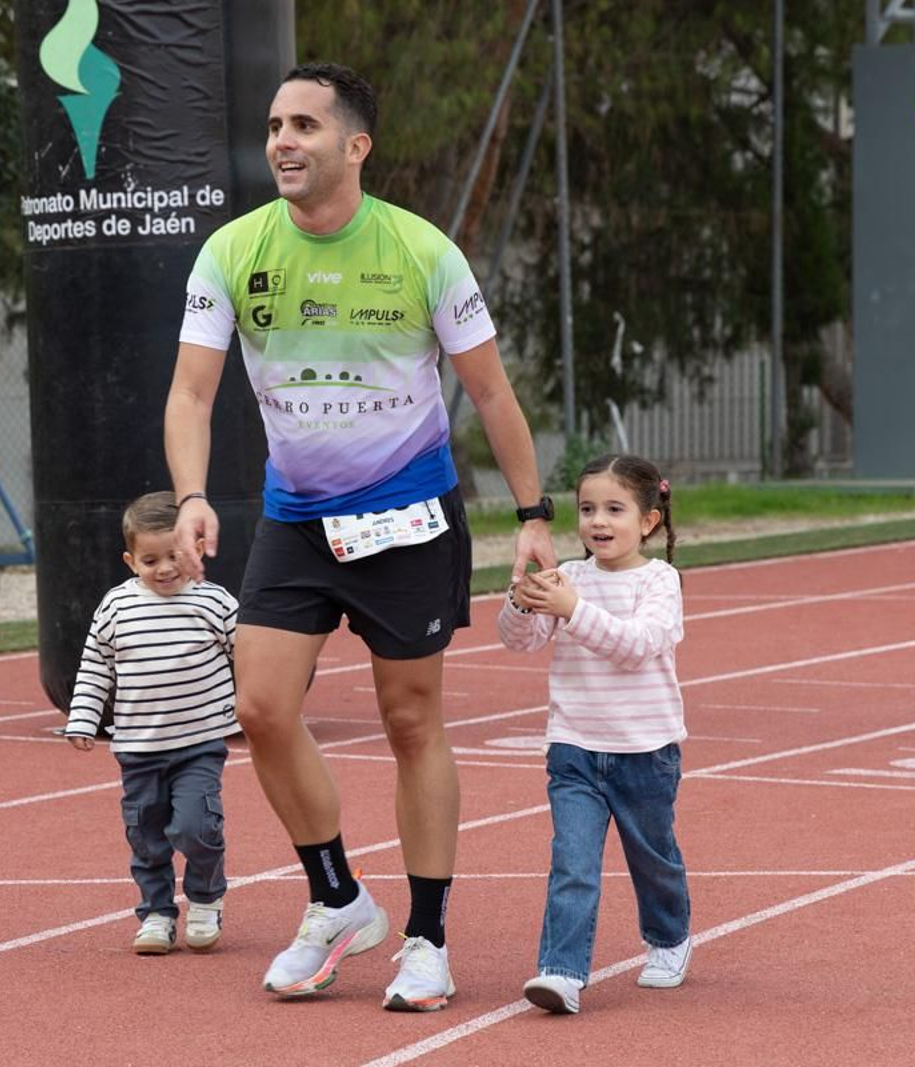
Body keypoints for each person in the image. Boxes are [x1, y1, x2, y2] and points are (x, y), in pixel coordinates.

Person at [164, 61, 556, 1011]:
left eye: (303, 125)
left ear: (355, 145)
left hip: (409, 516)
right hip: (296, 516)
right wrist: (190, 496)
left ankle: (428, 937)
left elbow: (492, 391)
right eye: (273, 126)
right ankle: (338, 896)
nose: (282, 142)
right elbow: (191, 392)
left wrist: (535, 516)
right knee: (258, 706)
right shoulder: (231, 251)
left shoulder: (424, 252)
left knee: (412, 721)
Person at [496, 454, 692, 1015]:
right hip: (574, 748)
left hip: (645, 751)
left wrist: (573, 609)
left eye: (614, 509)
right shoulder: (570, 579)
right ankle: (561, 972)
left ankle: (668, 938)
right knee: (572, 863)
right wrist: (519, 598)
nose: (598, 522)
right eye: (586, 510)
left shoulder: (659, 581)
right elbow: (521, 640)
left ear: (648, 521)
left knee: (653, 859)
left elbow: (636, 646)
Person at [64, 491, 240, 956]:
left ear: (197, 549)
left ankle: (205, 899)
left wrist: (261, 710)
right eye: (150, 559)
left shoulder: (215, 602)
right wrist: (83, 716)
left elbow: (251, 657)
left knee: (195, 826)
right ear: (130, 560)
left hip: (199, 741)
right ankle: (157, 912)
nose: (164, 568)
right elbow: (96, 664)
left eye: (174, 556)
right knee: (146, 834)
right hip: (138, 747)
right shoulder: (117, 606)